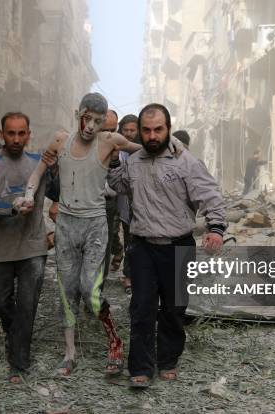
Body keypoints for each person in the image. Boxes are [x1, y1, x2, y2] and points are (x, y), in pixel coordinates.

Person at [21, 93, 142, 377]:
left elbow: (144, 147)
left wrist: (169, 144)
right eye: (88, 119)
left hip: (95, 225)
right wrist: (27, 196)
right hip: (66, 224)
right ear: (79, 113)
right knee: (67, 289)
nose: (91, 127)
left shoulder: (109, 141)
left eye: (98, 122)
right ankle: (69, 353)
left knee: (90, 288)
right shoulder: (60, 141)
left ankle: (114, 341)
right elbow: (37, 173)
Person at [108, 103, 226, 387]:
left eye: (157, 129)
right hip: (143, 246)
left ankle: (168, 360)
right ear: (140, 131)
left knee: (174, 308)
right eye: (146, 130)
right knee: (142, 307)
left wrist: (216, 228)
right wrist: (112, 159)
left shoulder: (187, 162)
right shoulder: (133, 161)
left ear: (168, 129)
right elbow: (117, 184)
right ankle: (141, 368)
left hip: (179, 246)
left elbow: (209, 195)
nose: (151, 136)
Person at [0, 112, 59, 382]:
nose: (16, 139)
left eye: (21, 133)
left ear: (28, 134)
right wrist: (11, 207)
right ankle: (15, 334)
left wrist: (55, 169)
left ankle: (18, 363)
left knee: (27, 306)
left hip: (33, 247)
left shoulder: (39, 163)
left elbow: (58, 193)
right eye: (11, 133)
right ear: (1, 134)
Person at [116, 114, 139, 294]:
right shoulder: (114, 147)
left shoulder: (141, 150)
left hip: (138, 204)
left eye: (133, 130)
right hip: (117, 201)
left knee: (134, 240)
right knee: (125, 238)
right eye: (126, 130)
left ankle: (131, 275)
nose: (129, 134)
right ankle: (128, 273)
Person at [100, 109, 124, 279]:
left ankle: (97, 287)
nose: (108, 135)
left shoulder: (121, 149)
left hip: (111, 203)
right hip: (88, 204)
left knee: (108, 239)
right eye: (104, 130)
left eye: (112, 131)